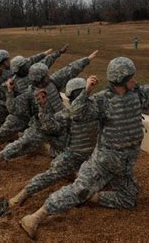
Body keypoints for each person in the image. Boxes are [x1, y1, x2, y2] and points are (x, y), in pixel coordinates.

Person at [19, 57, 149, 239]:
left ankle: (92, 196)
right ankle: (35, 217)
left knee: (128, 199)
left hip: (124, 165)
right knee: (78, 190)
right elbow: (77, 114)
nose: (134, 81)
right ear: (121, 80)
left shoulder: (138, 94)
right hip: (103, 161)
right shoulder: (102, 101)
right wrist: (86, 91)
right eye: (130, 78)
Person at [8, 77, 98, 208]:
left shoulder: (71, 111)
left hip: (77, 155)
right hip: (93, 156)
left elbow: (50, 127)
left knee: (51, 174)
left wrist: (43, 108)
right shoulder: (97, 107)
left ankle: (21, 196)